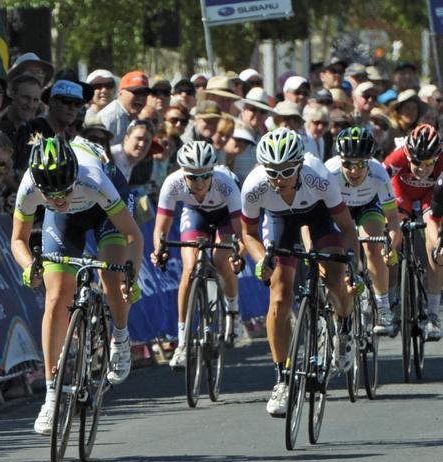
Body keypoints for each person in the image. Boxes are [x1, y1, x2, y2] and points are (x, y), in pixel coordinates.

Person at [10, 135, 143, 435]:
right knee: (56, 297)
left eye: (64, 190)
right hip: (63, 223)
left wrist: (130, 275)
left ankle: (120, 336)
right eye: (50, 194)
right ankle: (51, 394)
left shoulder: (94, 178)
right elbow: (18, 240)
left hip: (104, 213)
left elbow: (133, 235)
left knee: (111, 277)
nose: (58, 199)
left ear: (73, 177)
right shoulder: (29, 186)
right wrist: (29, 266)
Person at [240, 128, 360, 417]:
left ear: (300, 166)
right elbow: (249, 233)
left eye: (287, 172)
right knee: (279, 298)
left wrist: (350, 264)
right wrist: (260, 261)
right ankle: (282, 378)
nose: (279, 179)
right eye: (273, 172)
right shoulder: (254, 186)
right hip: (282, 224)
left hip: (319, 218)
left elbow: (346, 228)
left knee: (334, 278)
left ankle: (343, 329)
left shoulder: (318, 177)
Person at [150, 141, 244, 368]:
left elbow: (241, 234)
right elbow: (160, 229)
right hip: (195, 214)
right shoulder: (172, 183)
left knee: (222, 259)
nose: (200, 182)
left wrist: (238, 254)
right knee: (189, 269)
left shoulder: (226, 183)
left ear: (213, 171)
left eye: (205, 176)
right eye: (193, 177)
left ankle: (233, 311)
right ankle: (183, 344)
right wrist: (159, 250)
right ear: (183, 172)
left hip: (225, 216)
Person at [325, 128, 402, 335]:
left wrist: (391, 246)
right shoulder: (328, 172)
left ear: (368, 161)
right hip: (340, 210)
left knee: (374, 247)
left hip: (368, 207)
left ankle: (382, 305)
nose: (353, 170)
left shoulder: (378, 173)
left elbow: (393, 219)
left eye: (360, 163)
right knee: (338, 256)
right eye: (348, 163)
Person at [383, 124, 443, 340]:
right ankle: (389, 303)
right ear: (407, 154)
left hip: (432, 195)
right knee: (393, 234)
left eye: (428, 163)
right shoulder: (397, 156)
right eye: (416, 161)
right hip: (401, 193)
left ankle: (433, 315)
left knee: (434, 241)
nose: (421, 168)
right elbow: (378, 179)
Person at [99, 70, 151, 145]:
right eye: (136, 92)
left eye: (144, 94)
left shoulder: (131, 115)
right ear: (120, 93)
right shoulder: (110, 117)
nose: (140, 97)